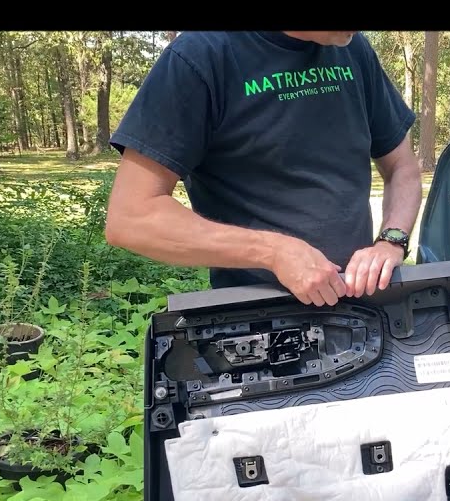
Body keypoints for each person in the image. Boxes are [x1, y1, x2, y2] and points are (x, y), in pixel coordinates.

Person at [103, 31, 422, 306]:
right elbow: (132, 218)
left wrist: (391, 241)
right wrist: (273, 251)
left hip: (359, 305)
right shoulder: (201, 55)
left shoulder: (352, 50)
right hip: (255, 319)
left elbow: (402, 167)